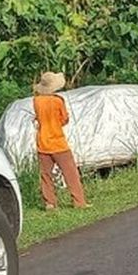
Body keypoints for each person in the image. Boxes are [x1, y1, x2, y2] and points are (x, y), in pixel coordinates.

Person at [32, 71, 90, 211]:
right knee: (71, 173)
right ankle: (79, 201)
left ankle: (50, 203)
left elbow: (38, 118)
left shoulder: (36, 101)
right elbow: (64, 119)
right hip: (58, 142)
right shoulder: (58, 101)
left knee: (46, 175)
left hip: (42, 142)